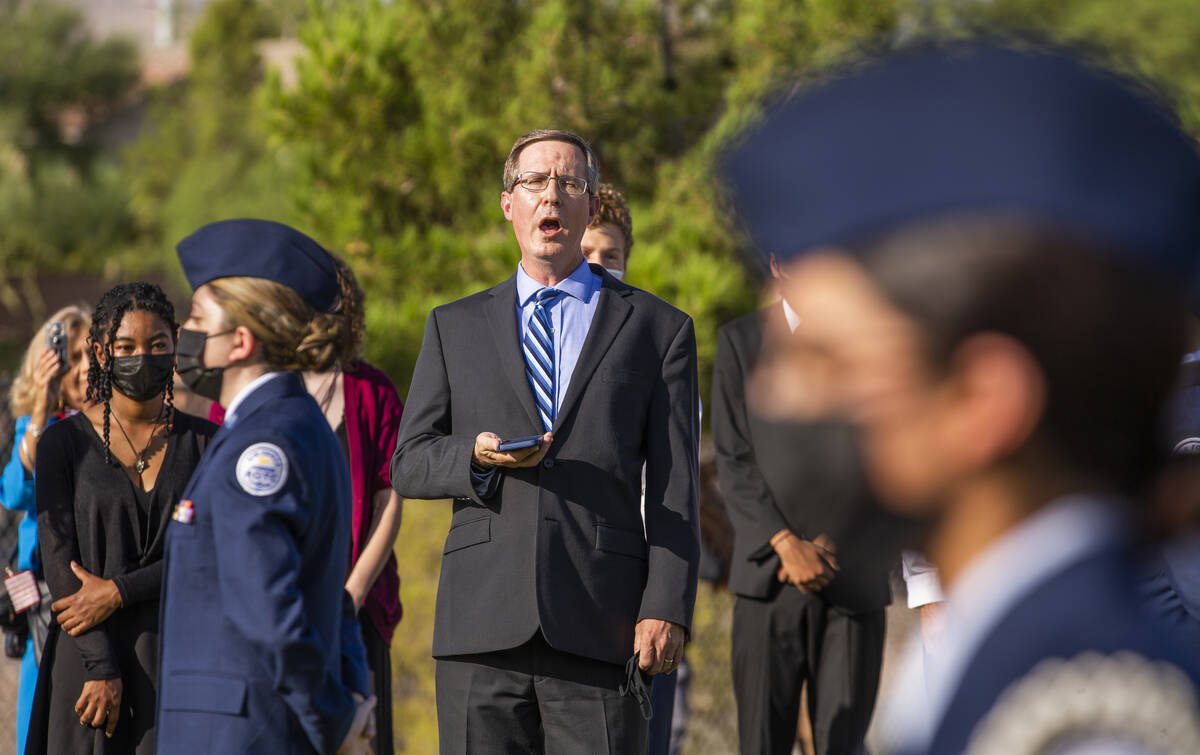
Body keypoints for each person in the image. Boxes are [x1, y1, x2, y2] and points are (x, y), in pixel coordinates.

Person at [724, 38, 1200, 754]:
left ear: (981, 400)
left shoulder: (1088, 725)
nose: (777, 396)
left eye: (825, 359)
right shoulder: (1009, 659)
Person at [392, 129, 701, 755]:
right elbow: (409, 462)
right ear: (509, 204)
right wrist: (474, 458)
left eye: (569, 182)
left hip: (603, 622)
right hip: (480, 628)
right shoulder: (454, 325)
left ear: (590, 206)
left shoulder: (657, 328)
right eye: (534, 182)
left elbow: (675, 485)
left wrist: (666, 604)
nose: (550, 194)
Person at [158, 218, 375, 755]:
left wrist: (336, 717)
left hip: (237, 735)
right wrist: (349, 698)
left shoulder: (264, 445)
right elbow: (329, 591)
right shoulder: (295, 424)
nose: (185, 330)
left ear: (240, 342)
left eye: (197, 317)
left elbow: (269, 609)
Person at [206, 254, 405, 755]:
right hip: (273, 607)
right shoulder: (246, 387)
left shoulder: (374, 390)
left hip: (357, 609)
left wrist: (351, 592)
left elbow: (390, 498)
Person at [712, 253, 892, 755]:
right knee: (762, 743)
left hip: (852, 577)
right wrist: (785, 543)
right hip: (768, 581)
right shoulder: (742, 342)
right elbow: (733, 457)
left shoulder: (875, 342)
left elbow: (887, 447)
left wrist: (839, 538)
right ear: (777, 265)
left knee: (843, 743)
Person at [25, 283, 216, 754]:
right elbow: (58, 561)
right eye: (126, 347)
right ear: (99, 352)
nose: (141, 358)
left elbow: (211, 555)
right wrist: (101, 666)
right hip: (87, 663)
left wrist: (119, 591)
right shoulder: (61, 445)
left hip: (178, 661)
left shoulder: (210, 444)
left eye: (157, 346)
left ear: (175, 348)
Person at [1, 305, 90, 754]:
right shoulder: (40, 422)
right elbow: (16, 493)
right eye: (70, 357)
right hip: (43, 596)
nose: (83, 368)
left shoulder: (109, 422)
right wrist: (41, 404)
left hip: (93, 586)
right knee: (37, 716)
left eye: (88, 354)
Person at [580, 183, 634, 280]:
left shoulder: (642, 296)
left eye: (611, 257)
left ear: (624, 265)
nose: (599, 265)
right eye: (584, 254)